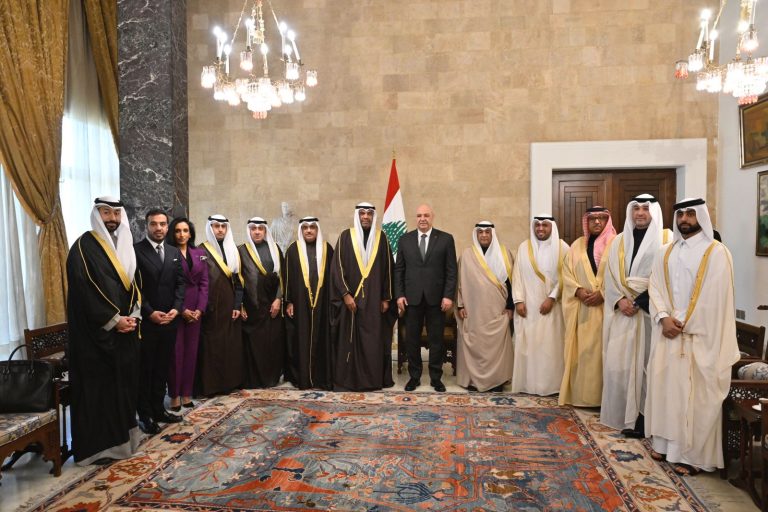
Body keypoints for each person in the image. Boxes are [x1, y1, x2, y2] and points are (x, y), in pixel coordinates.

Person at [645, 198, 739, 476]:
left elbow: (716, 297)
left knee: (697, 397)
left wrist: (684, 323)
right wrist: (663, 318)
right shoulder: (665, 252)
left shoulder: (717, 252)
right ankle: (665, 445)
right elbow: (654, 287)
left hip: (701, 337)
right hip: (667, 333)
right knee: (667, 392)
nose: (684, 219)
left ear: (701, 216)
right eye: (680, 214)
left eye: (690, 213)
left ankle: (694, 457)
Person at [66, 196, 141, 465]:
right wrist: (113, 319)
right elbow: (85, 291)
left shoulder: (124, 245)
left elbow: (134, 283)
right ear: (97, 215)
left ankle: (124, 442)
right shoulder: (83, 247)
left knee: (122, 389)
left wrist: (133, 316)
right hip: (95, 339)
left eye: (116, 213)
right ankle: (97, 450)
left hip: (124, 333)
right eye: (106, 213)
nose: (112, 219)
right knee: (99, 393)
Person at [601, 194, 671, 436]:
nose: (640, 213)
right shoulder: (619, 241)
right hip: (623, 314)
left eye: (645, 209)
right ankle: (624, 417)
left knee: (648, 368)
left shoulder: (667, 239)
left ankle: (644, 421)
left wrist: (640, 302)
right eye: (636, 208)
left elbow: (666, 278)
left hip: (650, 314)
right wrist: (620, 300)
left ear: (654, 212)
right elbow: (610, 276)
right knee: (619, 366)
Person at [330, 202, 395, 391]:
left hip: (374, 301)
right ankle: (351, 380)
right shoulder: (345, 237)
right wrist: (345, 294)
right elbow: (337, 269)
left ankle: (372, 380)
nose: (365, 216)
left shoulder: (381, 238)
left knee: (373, 342)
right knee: (351, 341)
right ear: (357, 215)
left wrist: (386, 297)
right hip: (351, 302)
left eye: (369, 213)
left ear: (373, 216)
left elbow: (388, 269)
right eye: (362, 213)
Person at [394, 204, 457, 392]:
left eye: (426, 215)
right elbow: (399, 270)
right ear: (416, 218)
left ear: (432, 217)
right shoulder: (405, 240)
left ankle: (436, 378)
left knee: (436, 340)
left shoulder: (446, 239)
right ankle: (414, 377)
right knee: (412, 340)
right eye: (419, 215)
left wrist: (448, 296)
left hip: (437, 300)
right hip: (411, 299)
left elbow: (451, 271)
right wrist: (399, 294)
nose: (422, 218)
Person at [134, 209, 185, 434]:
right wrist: (149, 312)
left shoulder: (173, 251)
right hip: (148, 322)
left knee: (162, 368)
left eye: (162, 224)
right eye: (154, 224)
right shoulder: (136, 251)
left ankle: (158, 409)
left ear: (167, 226)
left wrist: (176, 308)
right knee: (146, 370)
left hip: (170, 320)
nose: (159, 228)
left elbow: (180, 284)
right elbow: (135, 287)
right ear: (147, 226)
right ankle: (145, 415)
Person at [559, 206, 616, 407]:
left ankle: (604, 400)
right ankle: (582, 398)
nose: (597, 222)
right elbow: (566, 273)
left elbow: (622, 274)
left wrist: (603, 293)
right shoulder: (576, 245)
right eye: (593, 219)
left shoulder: (617, 244)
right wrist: (577, 290)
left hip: (608, 310)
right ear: (587, 222)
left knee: (604, 354)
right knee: (584, 355)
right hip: (582, 310)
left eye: (601, 218)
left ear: (607, 221)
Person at [511, 215, 569, 396]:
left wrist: (552, 298)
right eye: (537, 225)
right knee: (530, 348)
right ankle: (529, 385)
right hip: (528, 307)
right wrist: (518, 300)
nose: (541, 228)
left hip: (553, 308)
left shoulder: (563, 248)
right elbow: (517, 275)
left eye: (545, 225)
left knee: (550, 348)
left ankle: (550, 386)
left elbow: (566, 277)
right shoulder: (524, 247)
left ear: (552, 227)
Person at [455, 221, 514, 392]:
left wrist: (510, 306)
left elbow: (511, 282)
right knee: (476, 344)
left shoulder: (504, 254)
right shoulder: (467, 255)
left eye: (487, 232)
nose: (484, 235)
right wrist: (460, 305)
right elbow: (459, 282)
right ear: (476, 234)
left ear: (492, 234)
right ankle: (473, 380)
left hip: (497, 309)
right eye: (480, 232)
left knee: (497, 347)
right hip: (473, 310)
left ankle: (497, 380)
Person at [284, 216, 335, 390]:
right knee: (301, 340)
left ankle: (321, 378)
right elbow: (287, 277)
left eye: (312, 227)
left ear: (317, 229)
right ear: (301, 230)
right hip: (300, 303)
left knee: (322, 339)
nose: (308, 230)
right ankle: (303, 378)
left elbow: (333, 277)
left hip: (323, 303)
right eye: (305, 227)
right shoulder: (293, 250)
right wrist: (289, 301)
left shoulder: (327, 249)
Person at [198, 214, 244, 395]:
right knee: (212, 346)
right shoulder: (201, 250)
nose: (220, 229)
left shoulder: (233, 250)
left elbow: (239, 282)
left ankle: (229, 383)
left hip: (229, 306)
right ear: (210, 228)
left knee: (229, 345)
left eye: (223, 226)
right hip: (209, 307)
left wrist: (237, 305)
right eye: (216, 226)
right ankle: (211, 386)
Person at [166, 217, 208, 411]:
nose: (181, 234)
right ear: (172, 233)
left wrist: (200, 308)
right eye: (177, 231)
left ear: (190, 233)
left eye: (185, 230)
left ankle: (186, 393)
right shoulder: (168, 253)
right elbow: (168, 285)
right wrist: (181, 309)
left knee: (191, 352)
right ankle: (174, 395)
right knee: (176, 353)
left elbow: (204, 283)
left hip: (196, 309)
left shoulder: (200, 253)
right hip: (176, 307)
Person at [239, 217, 286, 388]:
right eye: (253, 229)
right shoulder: (241, 251)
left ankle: (271, 378)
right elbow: (237, 280)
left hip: (272, 303)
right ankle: (255, 380)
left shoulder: (275, 248)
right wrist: (240, 305)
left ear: (265, 231)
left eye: (260, 229)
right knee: (255, 343)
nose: (257, 232)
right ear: (249, 231)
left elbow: (283, 276)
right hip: (252, 305)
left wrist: (279, 299)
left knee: (272, 342)